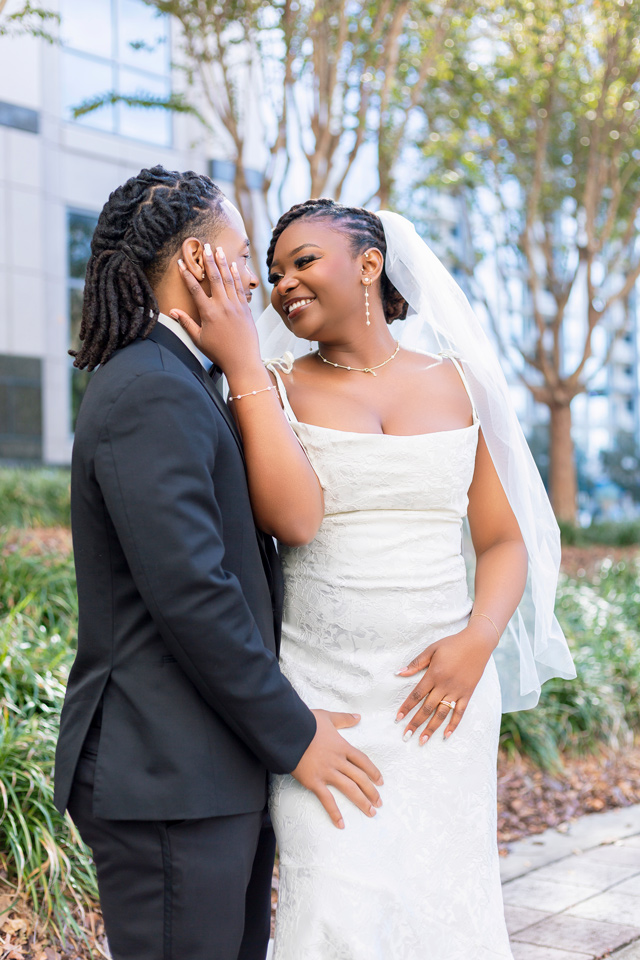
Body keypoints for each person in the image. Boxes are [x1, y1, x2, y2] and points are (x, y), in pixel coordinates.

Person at [174, 199, 576, 959]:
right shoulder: (272, 388)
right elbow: (293, 519)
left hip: (443, 700)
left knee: (441, 905)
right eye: (275, 272)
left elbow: (501, 542)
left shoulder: (462, 383)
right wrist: (247, 372)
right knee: (332, 906)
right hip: (325, 701)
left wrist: (475, 644)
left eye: (303, 261)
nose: (284, 283)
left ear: (369, 264)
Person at [54, 169, 384, 960]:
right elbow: (193, 594)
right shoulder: (148, 388)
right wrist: (294, 732)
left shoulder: (182, 377)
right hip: (164, 773)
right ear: (198, 262)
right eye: (242, 255)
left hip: (205, 765)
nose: (253, 280)